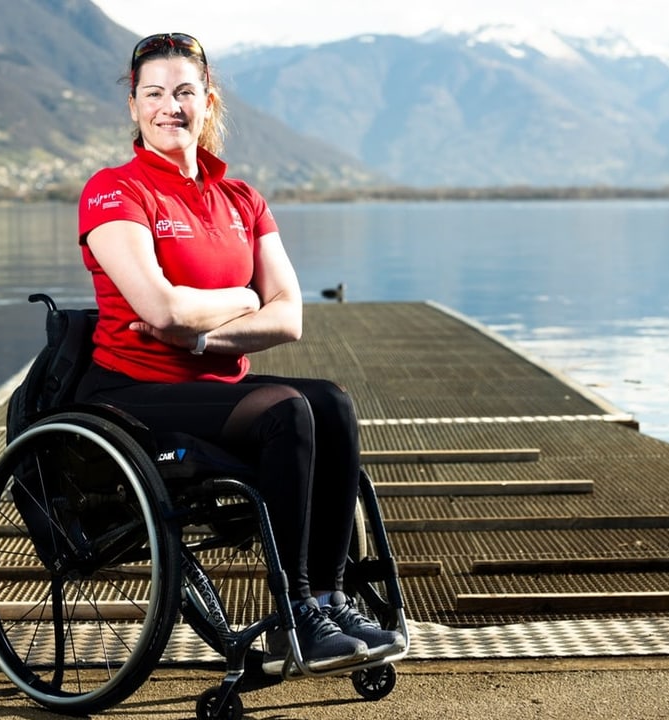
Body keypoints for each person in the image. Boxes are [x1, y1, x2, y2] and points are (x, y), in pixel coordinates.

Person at [75, 32, 403, 674]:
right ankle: (296, 612)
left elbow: (291, 315)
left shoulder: (241, 198)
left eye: (185, 92)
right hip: (132, 394)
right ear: (135, 108)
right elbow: (159, 311)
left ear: (209, 101)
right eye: (154, 93)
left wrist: (203, 335)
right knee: (286, 409)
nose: (171, 106)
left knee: (330, 403)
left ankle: (331, 597)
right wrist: (244, 296)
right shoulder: (115, 191)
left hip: (213, 385)